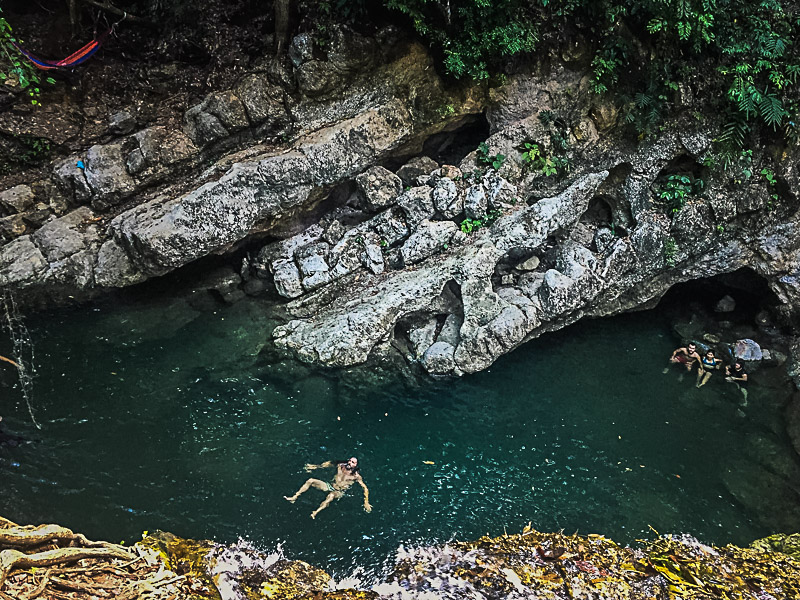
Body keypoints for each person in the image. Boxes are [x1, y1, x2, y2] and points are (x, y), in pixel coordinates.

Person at [284, 457, 372, 519]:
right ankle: (294, 497)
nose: (349, 462)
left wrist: (366, 502)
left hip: (338, 492)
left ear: (356, 465)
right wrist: (315, 467)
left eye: (352, 462)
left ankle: (315, 512)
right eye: (349, 460)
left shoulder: (356, 476)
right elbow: (329, 463)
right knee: (310, 480)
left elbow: (365, 488)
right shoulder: (340, 466)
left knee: (331, 496)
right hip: (329, 486)